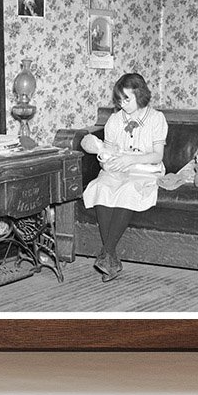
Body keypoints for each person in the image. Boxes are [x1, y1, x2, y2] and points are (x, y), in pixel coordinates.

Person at [79, 72, 168, 283]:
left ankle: (107, 252)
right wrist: (105, 160)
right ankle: (110, 259)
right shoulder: (114, 120)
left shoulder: (156, 118)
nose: (122, 104)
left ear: (140, 94)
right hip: (117, 169)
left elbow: (157, 155)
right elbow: (108, 151)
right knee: (101, 186)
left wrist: (128, 160)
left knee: (128, 190)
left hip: (145, 170)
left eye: (127, 99)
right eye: (119, 99)